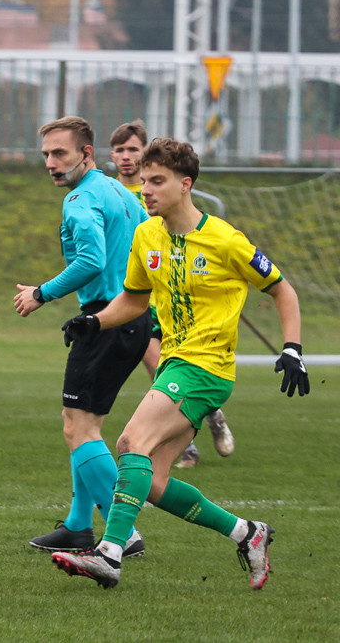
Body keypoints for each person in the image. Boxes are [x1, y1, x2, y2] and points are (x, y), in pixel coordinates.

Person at [54, 137, 309, 590]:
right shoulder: (147, 234)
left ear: (185, 184)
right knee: (152, 482)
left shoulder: (225, 239)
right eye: (145, 180)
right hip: (175, 362)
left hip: (206, 368)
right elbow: (133, 298)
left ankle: (110, 554)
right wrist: (94, 322)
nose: (145, 189)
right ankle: (248, 534)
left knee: (132, 441)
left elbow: (281, 289)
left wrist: (292, 348)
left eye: (157, 181)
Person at [13, 116, 149, 558]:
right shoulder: (120, 194)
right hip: (133, 317)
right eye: (46, 155)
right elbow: (152, 248)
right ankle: (76, 526)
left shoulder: (81, 199)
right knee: (84, 426)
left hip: (104, 319)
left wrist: (41, 293)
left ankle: (121, 533)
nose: (51, 163)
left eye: (60, 154)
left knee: (79, 429)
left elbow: (91, 259)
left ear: (85, 154)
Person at [110, 120, 235, 469]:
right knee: (159, 365)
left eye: (132, 149)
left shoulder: (155, 195)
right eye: (120, 150)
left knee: (169, 371)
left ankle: (206, 419)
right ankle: (187, 444)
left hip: (181, 302)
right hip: (143, 300)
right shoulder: (110, 193)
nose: (126, 157)